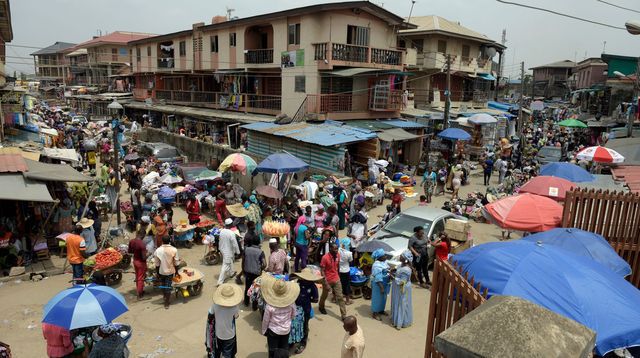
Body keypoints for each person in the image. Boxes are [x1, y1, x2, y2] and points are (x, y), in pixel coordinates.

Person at [261, 277, 299, 358]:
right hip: (286, 330)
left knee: (272, 350)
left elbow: (265, 320)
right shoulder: (291, 303)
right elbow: (294, 315)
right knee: (284, 349)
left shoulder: (269, 306)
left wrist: (264, 330)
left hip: (273, 331)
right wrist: (288, 321)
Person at [207, 283, 243, 358]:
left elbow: (210, 313)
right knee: (227, 353)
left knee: (218, 349)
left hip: (218, 333)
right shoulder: (234, 307)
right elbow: (236, 316)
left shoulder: (215, 305)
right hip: (229, 335)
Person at [292, 268, 321, 354]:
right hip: (296, 308)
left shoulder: (313, 286)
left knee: (305, 325)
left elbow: (316, 299)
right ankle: (293, 340)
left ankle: (303, 343)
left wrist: (307, 299)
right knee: (294, 324)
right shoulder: (298, 283)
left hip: (306, 309)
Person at [318, 243, 347, 320]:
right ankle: (321, 306)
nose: (336, 250)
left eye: (337, 248)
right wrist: (326, 283)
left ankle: (344, 315)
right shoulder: (325, 258)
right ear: (330, 248)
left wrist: (339, 276)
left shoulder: (338, 255)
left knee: (340, 297)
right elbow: (322, 271)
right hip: (327, 280)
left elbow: (338, 266)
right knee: (324, 295)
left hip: (336, 279)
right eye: (335, 249)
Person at [153, 235, 180, 309]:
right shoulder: (174, 250)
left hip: (161, 271)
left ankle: (165, 297)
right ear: (170, 241)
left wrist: (157, 273)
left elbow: (157, 264)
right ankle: (167, 302)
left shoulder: (158, 250)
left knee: (163, 285)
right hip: (170, 272)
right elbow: (176, 262)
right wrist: (177, 272)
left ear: (162, 241)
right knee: (167, 286)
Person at [390, 250, 413, 330]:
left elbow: (402, 282)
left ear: (405, 259)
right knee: (398, 302)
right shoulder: (401, 265)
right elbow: (398, 273)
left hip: (402, 289)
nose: (400, 256)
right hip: (397, 288)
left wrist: (393, 277)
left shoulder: (406, 270)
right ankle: (396, 319)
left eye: (401, 256)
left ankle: (401, 322)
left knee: (402, 303)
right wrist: (394, 271)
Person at [242, 233, 265, 308]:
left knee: (247, 287)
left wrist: (243, 270)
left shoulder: (246, 250)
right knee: (256, 289)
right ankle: (254, 306)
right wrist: (261, 269)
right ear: (258, 242)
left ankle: (246, 302)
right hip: (256, 274)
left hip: (248, 272)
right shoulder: (260, 252)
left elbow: (243, 261)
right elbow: (264, 264)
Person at [217, 219, 240, 286]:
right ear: (231, 225)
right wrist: (238, 252)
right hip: (228, 251)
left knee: (230, 261)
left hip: (222, 249)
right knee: (226, 265)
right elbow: (235, 244)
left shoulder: (222, 231)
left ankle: (231, 273)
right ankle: (220, 281)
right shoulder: (231, 233)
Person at [370, 248, 390, 321]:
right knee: (377, 298)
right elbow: (378, 278)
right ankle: (375, 313)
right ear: (379, 257)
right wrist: (381, 287)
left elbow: (387, 269)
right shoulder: (376, 265)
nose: (385, 256)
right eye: (384, 255)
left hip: (384, 282)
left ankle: (381, 310)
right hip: (378, 284)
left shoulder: (384, 262)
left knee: (383, 298)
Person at [128, 229, 148, 300]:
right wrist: (148, 254)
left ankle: (140, 290)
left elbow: (130, 251)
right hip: (141, 263)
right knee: (141, 278)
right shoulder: (142, 244)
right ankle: (140, 294)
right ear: (143, 235)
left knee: (137, 276)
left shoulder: (132, 241)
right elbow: (144, 257)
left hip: (135, 260)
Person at [338, 238, 353, 305]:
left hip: (339, 270)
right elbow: (350, 261)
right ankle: (347, 301)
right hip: (346, 271)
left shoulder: (338, 250)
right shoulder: (349, 253)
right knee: (347, 285)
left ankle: (335, 298)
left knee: (339, 284)